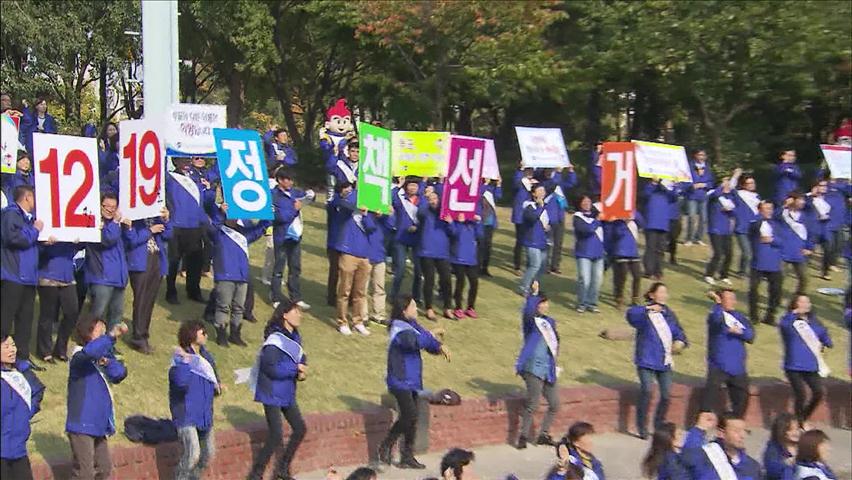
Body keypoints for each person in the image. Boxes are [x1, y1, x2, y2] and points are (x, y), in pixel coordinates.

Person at [378, 295, 450, 469]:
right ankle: (386, 445)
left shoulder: (413, 325)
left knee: (413, 418)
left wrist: (438, 346)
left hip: (413, 380)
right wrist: (432, 334)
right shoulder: (398, 328)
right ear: (404, 310)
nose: (416, 309)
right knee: (409, 415)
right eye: (413, 306)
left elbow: (426, 340)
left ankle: (406, 456)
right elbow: (414, 342)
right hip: (399, 380)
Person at [248, 301, 308, 480]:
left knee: (300, 429)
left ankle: (283, 468)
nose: (300, 315)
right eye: (296, 312)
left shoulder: (295, 336)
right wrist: (295, 370)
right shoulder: (274, 339)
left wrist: (302, 370)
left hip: (287, 391)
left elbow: (301, 357)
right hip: (272, 391)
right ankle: (256, 474)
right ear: (285, 314)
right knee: (275, 435)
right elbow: (271, 367)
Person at [66, 316, 128, 480]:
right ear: (87, 333)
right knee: (84, 473)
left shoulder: (104, 355)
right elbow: (90, 352)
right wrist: (111, 337)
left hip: (99, 423)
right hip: (81, 423)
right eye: (99, 331)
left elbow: (119, 374)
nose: (103, 334)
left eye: (104, 331)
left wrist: (108, 362)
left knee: (104, 468)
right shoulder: (78, 356)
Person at [626, 283, 688, 439]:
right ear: (652, 295)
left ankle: (659, 424)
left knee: (666, 395)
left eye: (665, 292)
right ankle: (642, 427)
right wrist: (648, 309)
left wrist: (680, 341)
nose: (664, 295)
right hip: (646, 359)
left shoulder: (669, 314)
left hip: (664, 360)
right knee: (647, 391)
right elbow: (631, 315)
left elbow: (679, 332)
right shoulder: (644, 314)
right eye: (660, 292)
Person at [208, 208, 271, 347]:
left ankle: (235, 335)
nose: (235, 218)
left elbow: (259, 229)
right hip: (225, 275)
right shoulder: (218, 232)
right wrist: (220, 213)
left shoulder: (243, 233)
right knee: (223, 306)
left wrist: (268, 215)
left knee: (239, 308)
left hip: (242, 276)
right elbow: (211, 228)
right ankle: (221, 335)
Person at [170, 321, 221, 480]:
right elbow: (179, 383)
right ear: (191, 334)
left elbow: (213, 383)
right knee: (193, 455)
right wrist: (185, 362)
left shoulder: (207, 358)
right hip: (186, 414)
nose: (206, 335)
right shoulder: (180, 358)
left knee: (208, 455)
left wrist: (217, 387)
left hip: (205, 413)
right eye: (202, 332)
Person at [1, 186, 44, 366]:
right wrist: (35, 231)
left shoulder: (29, 219)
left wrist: (44, 241)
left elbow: (30, 244)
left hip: (28, 277)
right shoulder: (10, 214)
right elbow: (13, 238)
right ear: (27, 197)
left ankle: (22, 359)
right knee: (4, 320)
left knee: (25, 320)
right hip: (12, 275)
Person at [515, 280, 560, 449]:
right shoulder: (531, 322)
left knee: (555, 403)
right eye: (540, 303)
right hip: (532, 367)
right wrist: (534, 294)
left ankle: (543, 434)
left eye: (545, 302)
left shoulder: (550, 322)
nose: (543, 306)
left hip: (548, 368)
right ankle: (523, 435)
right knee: (533, 403)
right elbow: (527, 310)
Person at [165, 157, 214, 304]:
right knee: (174, 260)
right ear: (176, 161)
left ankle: (194, 291)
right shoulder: (170, 177)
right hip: (177, 223)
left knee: (195, 261)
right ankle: (171, 291)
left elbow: (206, 201)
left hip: (195, 225)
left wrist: (209, 189)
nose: (186, 162)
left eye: (188, 159)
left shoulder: (197, 178)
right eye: (182, 160)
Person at [780, 294, 833, 427]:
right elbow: (783, 326)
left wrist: (826, 342)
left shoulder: (814, 321)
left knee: (819, 392)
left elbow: (824, 335)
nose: (805, 305)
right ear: (795, 304)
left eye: (807, 302)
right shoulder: (789, 320)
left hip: (811, 365)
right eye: (801, 302)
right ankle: (798, 422)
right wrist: (793, 314)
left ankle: (802, 418)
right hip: (793, 365)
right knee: (801, 394)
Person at [701, 289, 755, 418]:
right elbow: (717, 320)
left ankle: (734, 424)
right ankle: (700, 425)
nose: (732, 301)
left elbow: (751, 335)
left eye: (733, 299)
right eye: (728, 299)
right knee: (709, 399)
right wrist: (718, 303)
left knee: (742, 399)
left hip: (737, 367)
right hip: (718, 365)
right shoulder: (715, 313)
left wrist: (740, 332)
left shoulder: (740, 317)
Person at [125, 208, 171, 354]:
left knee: (149, 300)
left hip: (156, 259)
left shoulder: (155, 216)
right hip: (139, 262)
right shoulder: (132, 217)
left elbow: (169, 235)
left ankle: (143, 334)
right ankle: (138, 337)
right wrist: (150, 230)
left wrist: (166, 220)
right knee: (141, 299)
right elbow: (131, 239)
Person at [1, 335, 46, 480]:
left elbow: (37, 392)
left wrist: (26, 413)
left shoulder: (23, 372)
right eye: (6, 346)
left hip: (18, 448)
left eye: (13, 345)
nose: (12, 350)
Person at [86, 192, 132, 330]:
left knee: (116, 316)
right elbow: (107, 240)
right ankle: (89, 344)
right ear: (99, 206)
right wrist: (115, 222)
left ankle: (109, 346)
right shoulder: (93, 222)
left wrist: (128, 228)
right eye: (107, 206)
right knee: (97, 315)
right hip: (101, 278)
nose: (110, 210)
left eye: (114, 207)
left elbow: (131, 243)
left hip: (119, 277)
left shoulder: (116, 225)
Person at [331, 184, 374, 336]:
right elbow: (339, 203)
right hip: (348, 250)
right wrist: (356, 204)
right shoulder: (350, 196)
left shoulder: (372, 200)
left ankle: (358, 321)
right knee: (345, 289)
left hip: (365, 253)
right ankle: (342, 321)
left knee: (360, 291)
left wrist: (366, 214)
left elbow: (371, 228)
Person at [270, 168, 312, 310]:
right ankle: (275, 297)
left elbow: (309, 197)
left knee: (295, 268)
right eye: (287, 179)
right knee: (278, 268)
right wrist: (295, 209)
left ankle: (296, 297)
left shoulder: (295, 192)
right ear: (280, 180)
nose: (290, 182)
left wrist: (309, 196)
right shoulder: (274, 195)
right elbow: (280, 217)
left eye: (292, 179)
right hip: (281, 236)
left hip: (295, 236)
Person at [36, 239, 83, 364]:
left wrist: (80, 239)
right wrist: (45, 244)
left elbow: (83, 244)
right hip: (48, 273)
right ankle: (44, 351)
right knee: (48, 315)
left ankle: (60, 348)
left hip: (67, 274)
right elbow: (36, 248)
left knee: (72, 312)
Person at [681, 413, 762, 479]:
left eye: (745, 431)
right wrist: (699, 429)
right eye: (737, 431)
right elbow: (687, 456)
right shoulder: (706, 456)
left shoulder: (752, 466)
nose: (742, 435)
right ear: (721, 433)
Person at [417, 190, 453, 320]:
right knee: (429, 280)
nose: (433, 201)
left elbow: (453, 232)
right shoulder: (425, 211)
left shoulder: (445, 213)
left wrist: (450, 222)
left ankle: (447, 307)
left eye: (435, 198)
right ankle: (429, 308)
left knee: (446, 280)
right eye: (430, 199)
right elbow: (419, 213)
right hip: (427, 250)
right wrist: (424, 198)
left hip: (442, 251)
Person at [748, 201, 784, 325]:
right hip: (758, 261)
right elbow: (753, 228)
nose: (768, 211)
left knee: (776, 291)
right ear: (760, 210)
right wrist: (760, 216)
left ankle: (770, 315)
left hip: (774, 262)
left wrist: (772, 240)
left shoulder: (776, 224)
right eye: (766, 209)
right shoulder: (755, 222)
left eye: (770, 209)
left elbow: (782, 240)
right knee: (754, 289)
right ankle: (754, 316)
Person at [390, 178, 423, 303]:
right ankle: (394, 294)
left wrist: (418, 227)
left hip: (417, 238)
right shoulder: (400, 198)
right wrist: (399, 186)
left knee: (418, 270)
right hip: (401, 237)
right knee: (400, 268)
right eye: (410, 185)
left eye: (415, 186)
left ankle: (417, 296)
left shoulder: (423, 200)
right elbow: (390, 197)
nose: (413, 188)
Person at [446, 213, 483, 319]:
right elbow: (453, 234)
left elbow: (480, 235)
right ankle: (458, 307)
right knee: (460, 282)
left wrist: (478, 222)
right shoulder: (457, 223)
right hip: (458, 257)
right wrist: (453, 223)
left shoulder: (472, 223)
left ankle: (471, 307)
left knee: (474, 282)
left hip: (471, 258)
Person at [642, 179, 680, 280]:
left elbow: (674, 196)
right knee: (651, 248)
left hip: (663, 223)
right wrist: (654, 183)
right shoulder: (651, 188)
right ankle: (649, 271)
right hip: (651, 222)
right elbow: (645, 194)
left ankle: (658, 271)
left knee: (660, 249)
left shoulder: (668, 192)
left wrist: (672, 185)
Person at [573, 195, 605, 313]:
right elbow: (587, 230)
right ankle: (582, 303)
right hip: (584, 253)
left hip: (598, 253)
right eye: (584, 201)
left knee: (597, 279)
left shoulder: (597, 216)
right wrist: (597, 220)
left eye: (589, 201)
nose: (587, 203)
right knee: (584, 279)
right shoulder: (578, 217)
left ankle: (592, 303)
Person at [604, 214, 643, 310]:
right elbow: (617, 234)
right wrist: (624, 222)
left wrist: (633, 216)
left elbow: (642, 223)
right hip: (621, 251)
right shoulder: (616, 222)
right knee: (622, 276)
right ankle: (619, 298)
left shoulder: (633, 219)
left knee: (637, 275)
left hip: (633, 251)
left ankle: (635, 299)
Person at [779, 192, 814, 294]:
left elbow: (811, 233)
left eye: (803, 200)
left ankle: (798, 300)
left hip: (799, 251)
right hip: (783, 251)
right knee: (779, 279)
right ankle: (775, 300)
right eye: (800, 199)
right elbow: (773, 216)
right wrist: (784, 205)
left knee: (804, 279)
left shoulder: (806, 216)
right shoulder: (783, 213)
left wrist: (810, 248)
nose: (802, 202)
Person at [703, 178, 736, 285]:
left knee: (729, 254)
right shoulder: (713, 194)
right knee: (718, 253)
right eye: (725, 182)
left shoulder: (729, 197)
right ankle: (709, 274)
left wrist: (730, 210)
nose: (727, 185)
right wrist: (721, 186)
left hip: (726, 230)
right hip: (715, 228)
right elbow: (715, 194)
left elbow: (735, 210)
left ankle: (724, 275)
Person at [519, 184, 550, 295]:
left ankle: (534, 286)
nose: (542, 192)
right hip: (531, 241)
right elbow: (531, 218)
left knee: (540, 267)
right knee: (534, 265)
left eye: (543, 190)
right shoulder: (529, 205)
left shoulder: (545, 206)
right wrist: (540, 207)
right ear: (533, 193)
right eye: (539, 190)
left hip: (542, 241)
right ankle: (523, 287)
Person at [365, 209, 394, 324]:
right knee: (363, 288)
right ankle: (363, 315)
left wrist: (388, 214)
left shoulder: (383, 220)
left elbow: (391, 225)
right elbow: (368, 226)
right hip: (365, 255)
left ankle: (379, 314)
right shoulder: (364, 216)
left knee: (379, 287)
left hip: (379, 255)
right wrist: (366, 214)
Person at [730, 171, 760, 277]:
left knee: (756, 251)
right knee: (747, 253)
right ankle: (742, 271)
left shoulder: (757, 196)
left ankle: (754, 271)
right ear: (743, 185)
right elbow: (730, 187)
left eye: (753, 183)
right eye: (749, 183)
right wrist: (735, 175)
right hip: (742, 227)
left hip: (755, 227)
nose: (752, 185)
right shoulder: (739, 194)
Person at [684, 149, 715, 246]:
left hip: (703, 196)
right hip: (692, 196)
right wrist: (692, 185)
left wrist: (704, 184)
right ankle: (689, 238)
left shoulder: (708, 168)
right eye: (699, 155)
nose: (701, 157)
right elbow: (685, 179)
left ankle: (699, 238)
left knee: (703, 218)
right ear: (695, 156)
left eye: (703, 155)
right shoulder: (689, 167)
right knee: (692, 217)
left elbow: (711, 183)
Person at [511, 167, 537, 275]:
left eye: (531, 170)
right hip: (521, 216)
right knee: (520, 241)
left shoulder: (535, 183)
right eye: (528, 170)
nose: (530, 172)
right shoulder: (520, 183)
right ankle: (517, 266)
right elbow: (516, 184)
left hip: (532, 216)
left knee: (530, 241)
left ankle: (530, 264)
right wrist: (520, 170)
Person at [763, 412, 799, 480]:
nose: (796, 433)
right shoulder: (773, 448)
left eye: (797, 429)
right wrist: (787, 464)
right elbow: (772, 468)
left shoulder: (802, 446)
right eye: (790, 430)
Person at [478, 178, 502, 276]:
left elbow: (498, 196)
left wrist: (499, 185)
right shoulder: (478, 187)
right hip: (480, 222)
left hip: (490, 222)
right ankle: (477, 267)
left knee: (488, 246)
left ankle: (485, 267)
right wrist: (485, 183)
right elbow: (478, 195)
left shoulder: (490, 189)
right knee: (480, 246)